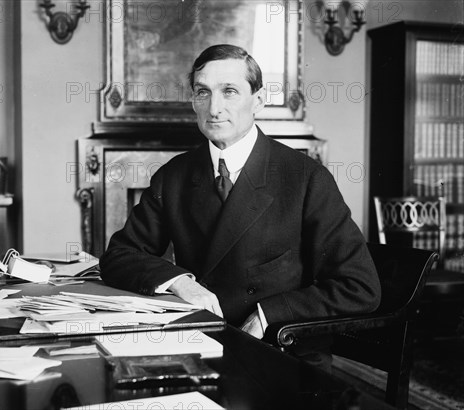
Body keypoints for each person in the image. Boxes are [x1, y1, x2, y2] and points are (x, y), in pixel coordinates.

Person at [99, 44, 381, 368]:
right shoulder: (173, 176)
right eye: (202, 92)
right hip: (201, 346)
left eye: (229, 91)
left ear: (258, 100)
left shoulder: (305, 177)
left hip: (281, 354)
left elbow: (359, 286)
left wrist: (268, 314)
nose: (214, 108)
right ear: (193, 100)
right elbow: (119, 255)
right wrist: (180, 282)